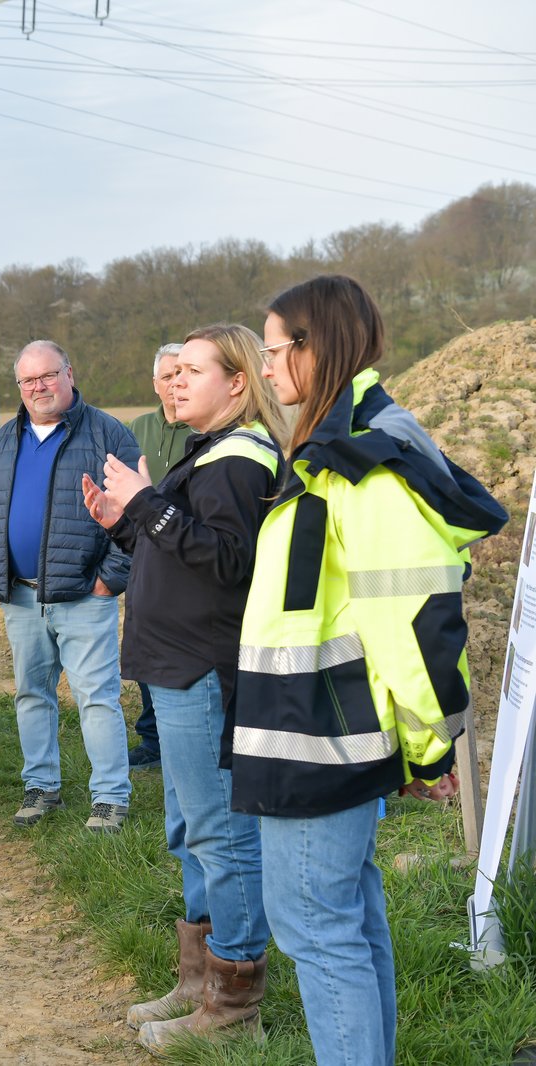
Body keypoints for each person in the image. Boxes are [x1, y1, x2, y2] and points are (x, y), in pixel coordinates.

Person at [233, 276, 504, 1066]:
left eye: (277, 349)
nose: (268, 366)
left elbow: (413, 621)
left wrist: (428, 747)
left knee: (316, 926)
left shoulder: (360, 462)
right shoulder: (336, 445)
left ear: (316, 349)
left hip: (321, 735)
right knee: (344, 915)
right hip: (312, 728)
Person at [83, 325, 285, 1050]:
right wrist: (127, 520)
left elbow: (231, 562)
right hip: (175, 669)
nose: (172, 382)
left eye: (191, 371)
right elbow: (183, 554)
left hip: (204, 671)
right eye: (170, 373)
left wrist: (146, 504)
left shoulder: (239, 460)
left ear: (238, 382)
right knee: (189, 832)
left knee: (221, 835)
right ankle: (199, 985)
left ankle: (233, 1014)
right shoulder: (205, 454)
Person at [0, 340, 138, 833]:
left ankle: (109, 798)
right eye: (28, 380)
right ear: (19, 387)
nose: (39, 387)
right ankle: (40, 787)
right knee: (31, 694)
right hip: (20, 596)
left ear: (70, 372)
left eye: (48, 375)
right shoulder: (5, 439)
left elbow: (137, 509)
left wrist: (110, 579)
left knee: (97, 697)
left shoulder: (108, 433)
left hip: (85, 595)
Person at [124, 342, 192, 773]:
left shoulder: (206, 430)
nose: (174, 385)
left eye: (182, 374)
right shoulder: (137, 429)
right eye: (166, 377)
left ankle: (186, 734)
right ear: (155, 384)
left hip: (190, 555)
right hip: (144, 558)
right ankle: (152, 738)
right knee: (147, 647)